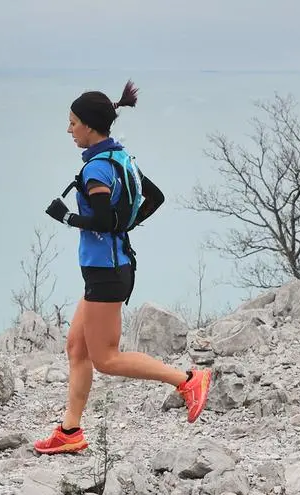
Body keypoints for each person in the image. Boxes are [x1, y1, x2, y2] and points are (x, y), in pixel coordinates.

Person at [32, 80, 212, 455]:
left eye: (72, 123)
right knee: (76, 348)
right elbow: (154, 198)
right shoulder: (122, 158)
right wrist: (123, 225)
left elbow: (101, 219)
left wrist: (66, 217)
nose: (68, 130)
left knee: (107, 358)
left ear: (90, 126)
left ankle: (189, 380)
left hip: (107, 272)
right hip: (111, 265)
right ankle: (70, 432)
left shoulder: (97, 170)